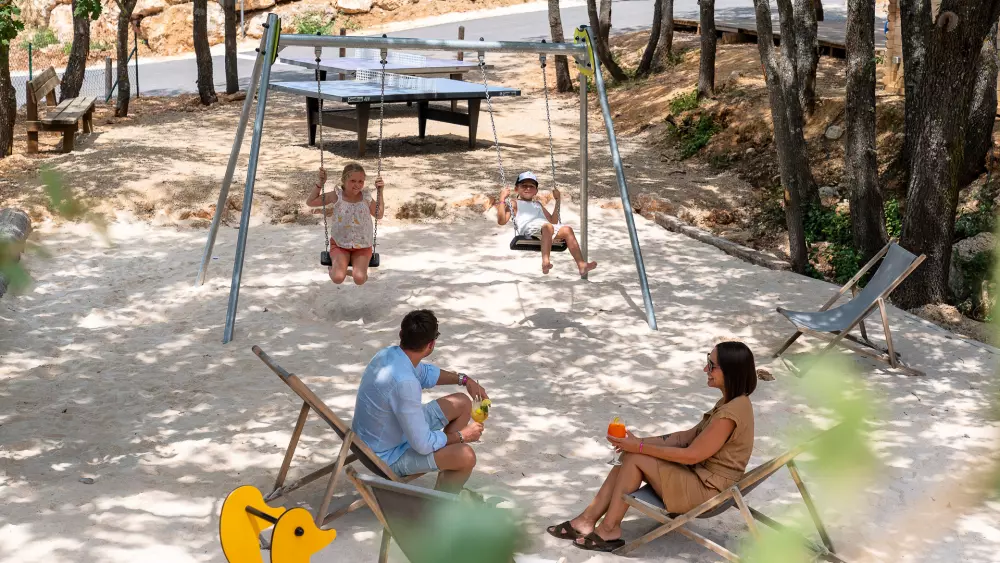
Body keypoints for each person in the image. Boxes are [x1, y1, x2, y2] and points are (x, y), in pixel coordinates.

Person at [546, 341, 758, 552]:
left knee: (635, 457)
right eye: (707, 362)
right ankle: (586, 521)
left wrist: (638, 448)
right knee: (630, 454)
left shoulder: (729, 414)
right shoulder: (731, 402)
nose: (705, 369)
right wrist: (638, 442)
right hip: (702, 479)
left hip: (708, 492)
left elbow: (691, 455)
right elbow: (685, 437)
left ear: (731, 371)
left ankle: (608, 529)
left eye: (711, 365)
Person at [352, 309, 490, 492]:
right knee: (467, 456)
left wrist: (464, 380)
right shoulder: (406, 383)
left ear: (401, 334)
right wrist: (463, 436)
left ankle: (447, 474)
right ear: (431, 345)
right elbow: (423, 444)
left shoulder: (387, 355)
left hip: (369, 439)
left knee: (463, 402)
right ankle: (440, 504)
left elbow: (425, 373)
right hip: (384, 457)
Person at [496, 171, 597, 277]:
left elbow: (553, 221)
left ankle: (581, 265)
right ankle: (545, 262)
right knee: (547, 227)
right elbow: (501, 221)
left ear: (536, 191)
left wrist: (558, 200)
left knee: (567, 230)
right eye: (524, 185)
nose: (528, 188)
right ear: (516, 189)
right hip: (529, 229)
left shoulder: (537, 204)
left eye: (531, 186)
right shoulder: (514, 203)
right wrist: (502, 199)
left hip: (545, 229)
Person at [306, 162, 384, 285]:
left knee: (359, 279)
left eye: (361, 181)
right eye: (353, 181)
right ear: (344, 180)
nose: (357, 185)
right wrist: (320, 183)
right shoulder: (336, 196)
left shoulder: (366, 197)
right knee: (337, 278)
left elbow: (379, 214)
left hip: (362, 246)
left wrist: (380, 192)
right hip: (340, 245)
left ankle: (354, 271)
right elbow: (310, 202)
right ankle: (334, 269)